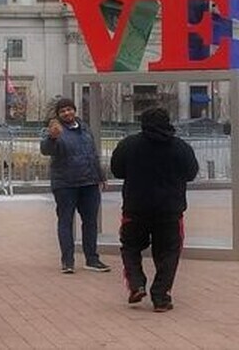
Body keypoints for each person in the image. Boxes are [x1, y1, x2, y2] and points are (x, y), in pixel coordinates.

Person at [110, 107, 198, 312]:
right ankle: (161, 296)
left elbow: (117, 170)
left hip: (135, 208)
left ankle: (136, 284)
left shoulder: (128, 145)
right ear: (168, 122)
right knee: (168, 253)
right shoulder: (180, 147)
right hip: (170, 210)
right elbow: (191, 173)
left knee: (130, 247)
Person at [40, 98, 111, 274]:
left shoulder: (85, 128)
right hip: (65, 184)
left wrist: (101, 176)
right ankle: (67, 261)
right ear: (58, 114)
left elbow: (93, 154)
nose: (67, 113)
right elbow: (45, 149)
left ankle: (92, 259)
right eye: (62, 111)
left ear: (74, 110)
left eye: (69, 109)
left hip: (89, 182)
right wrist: (52, 137)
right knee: (65, 221)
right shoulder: (55, 130)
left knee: (90, 222)